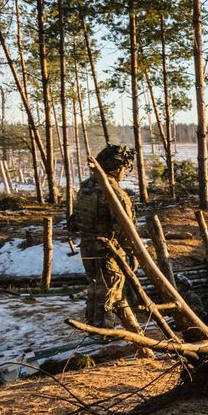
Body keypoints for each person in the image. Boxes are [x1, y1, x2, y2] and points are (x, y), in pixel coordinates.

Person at [73, 145, 149, 347]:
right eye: (125, 167)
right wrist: (132, 255)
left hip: (88, 247)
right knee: (110, 289)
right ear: (116, 167)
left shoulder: (87, 187)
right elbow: (126, 228)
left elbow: (75, 220)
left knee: (96, 288)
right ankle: (104, 333)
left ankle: (95, 327)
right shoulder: (113, 192)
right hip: (109, 249)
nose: (125, 172)